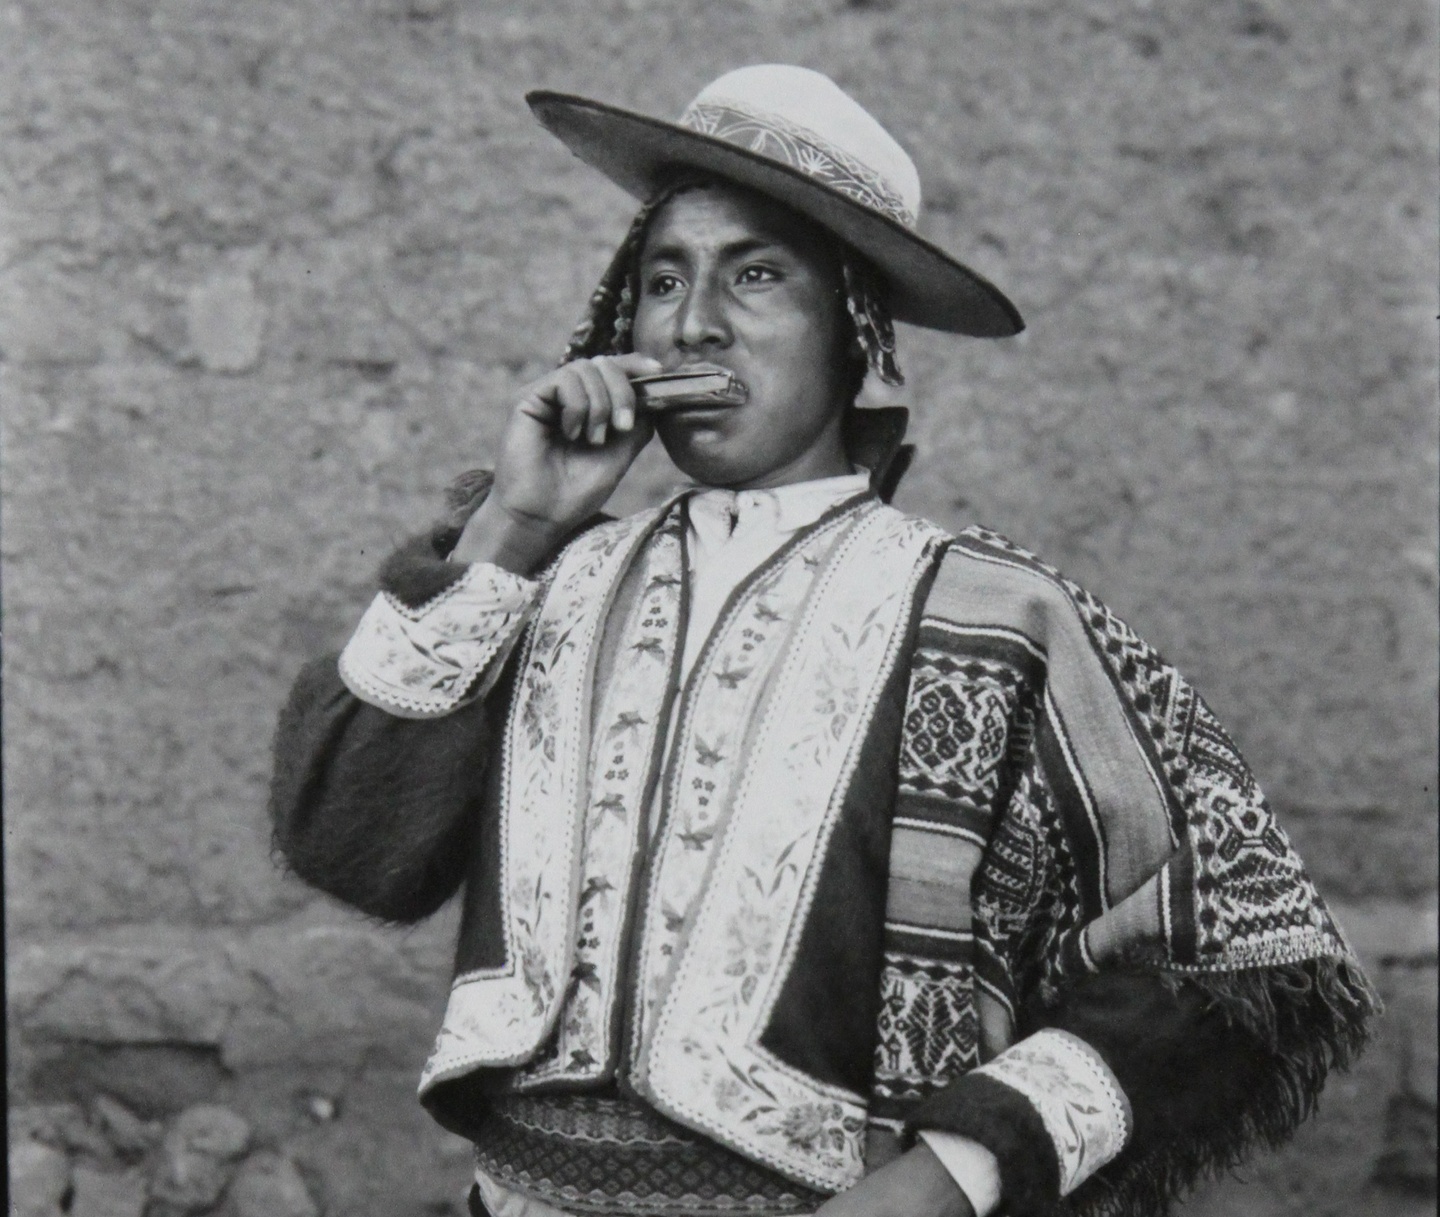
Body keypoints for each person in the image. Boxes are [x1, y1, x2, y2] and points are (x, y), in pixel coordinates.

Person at [269, 65, 1377, 1217]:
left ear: (856, 331)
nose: (694, 320)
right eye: (661, 279)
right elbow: (347, 844)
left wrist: (955, 1172)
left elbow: (1252, 955)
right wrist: (514, 522)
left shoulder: (992, 619)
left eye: (756, 274)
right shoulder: (540, 582)